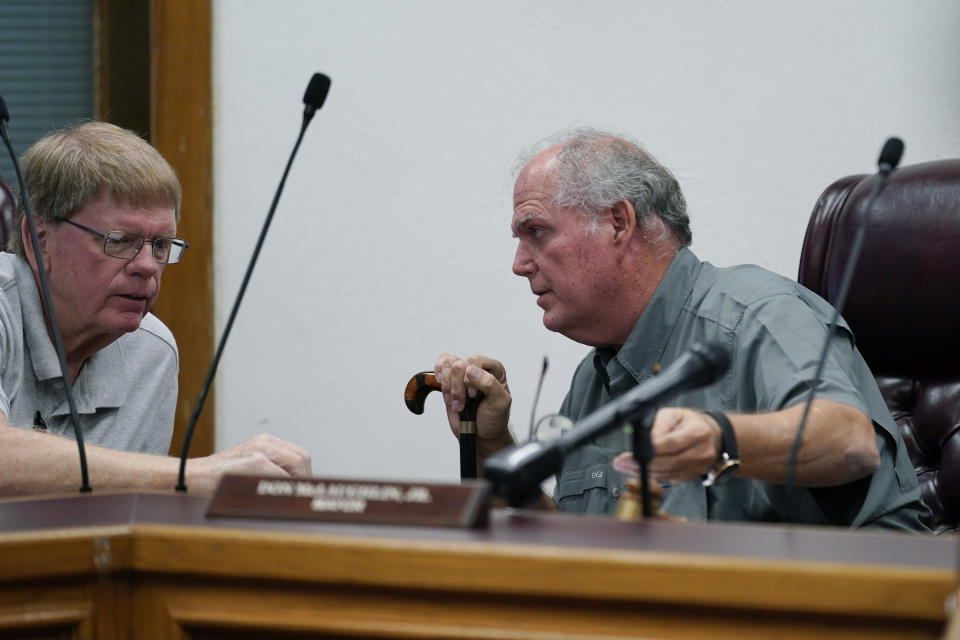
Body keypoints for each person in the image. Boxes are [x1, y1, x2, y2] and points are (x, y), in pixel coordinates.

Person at [435, 128, 930, 530]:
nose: (520, 264)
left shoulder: (757, 314)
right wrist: (491, 442)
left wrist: (719, 436)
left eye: (536, 232)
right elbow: (577, 557)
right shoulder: (594, 377)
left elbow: (850, 442)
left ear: (617, 223)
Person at [0, 121, 311, 496]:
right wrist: (191, 476)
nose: (147, 265)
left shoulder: (151, 352)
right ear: (40, 242)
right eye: (120, 240)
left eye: (160, 245)